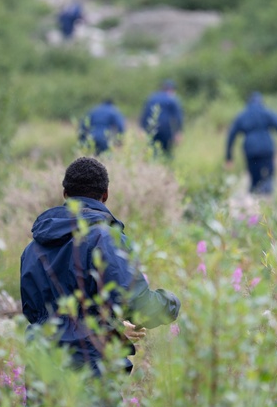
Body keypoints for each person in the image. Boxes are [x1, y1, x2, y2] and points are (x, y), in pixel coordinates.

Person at [20, 157, 181, 376]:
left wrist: (109, 327)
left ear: (65, 194)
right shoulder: (104, 239)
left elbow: (37, 314)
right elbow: (137, 305)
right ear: (105, 195)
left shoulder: (33, 248)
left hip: (41, 368)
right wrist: (169, 304)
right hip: (89, 371)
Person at [224, 92, 277, 195]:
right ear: (261, 102)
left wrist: (229, 157)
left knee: (254, 178)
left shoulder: (242, 115)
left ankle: (253, 198)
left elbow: (231, 135)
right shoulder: (267, 113)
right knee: (268, 176)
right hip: (267, 149)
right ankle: (267, 197)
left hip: (251, 150)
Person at [140, 80, 183, 157]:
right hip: (165, 130)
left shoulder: (151, 98)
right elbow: (177, 117)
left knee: (152, 150)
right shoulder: (172, 99)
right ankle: (166, 165)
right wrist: (178, 132)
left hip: (152, 128)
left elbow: (145, 114)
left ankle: (153, 166)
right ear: (171, 90)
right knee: (166, 151)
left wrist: (142, 128)